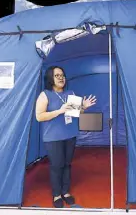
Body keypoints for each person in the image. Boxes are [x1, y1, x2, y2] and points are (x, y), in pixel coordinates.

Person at [35, 66, 97, 208]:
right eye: (57, 75)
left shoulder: (70, 93)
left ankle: (65, 192)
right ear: (50, 78)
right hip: (53, 137)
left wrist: (84, 107)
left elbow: (74, 113)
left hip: (69, 134)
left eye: (62, 75)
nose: (61, 77)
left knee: (67, 164)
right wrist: (59, 111)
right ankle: (57, 194)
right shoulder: (45, 95)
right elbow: (39, 116)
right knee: (57, 165)